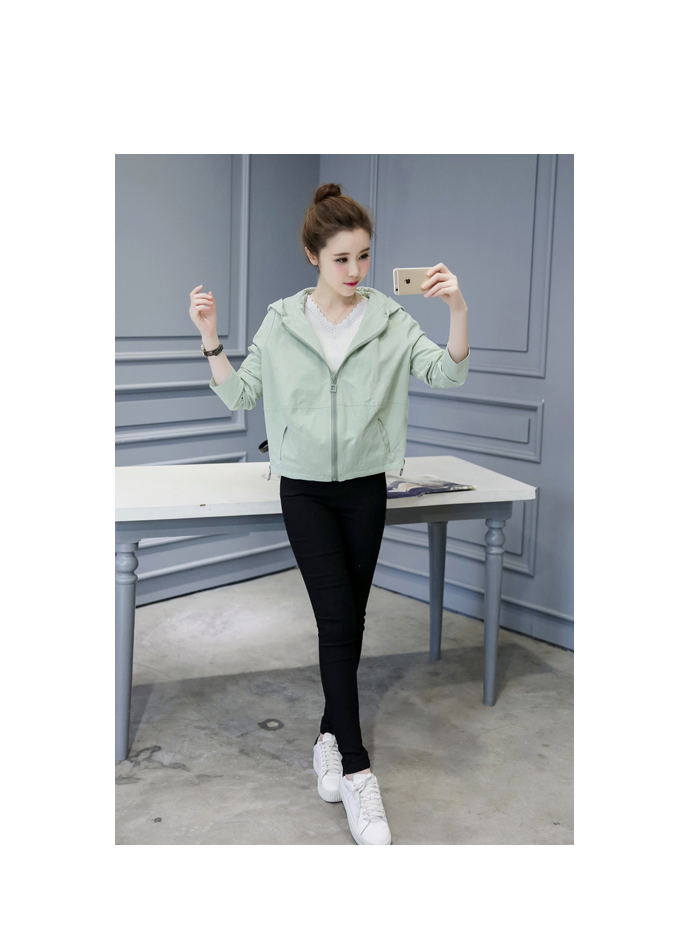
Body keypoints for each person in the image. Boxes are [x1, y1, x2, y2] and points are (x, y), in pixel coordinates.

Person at [188, 183, 470, 845]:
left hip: (366, 487)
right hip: (306, 490)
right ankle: (359, 773)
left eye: (364, 256)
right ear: (313, 255)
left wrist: (456, 308)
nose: (355, 270)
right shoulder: (282, 320)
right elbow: (241, 394)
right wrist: (209, 338)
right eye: (342, 258)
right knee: (339, 620)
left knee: (348, 623)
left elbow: (447, 373)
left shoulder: (390, 319)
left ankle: (327, 740)